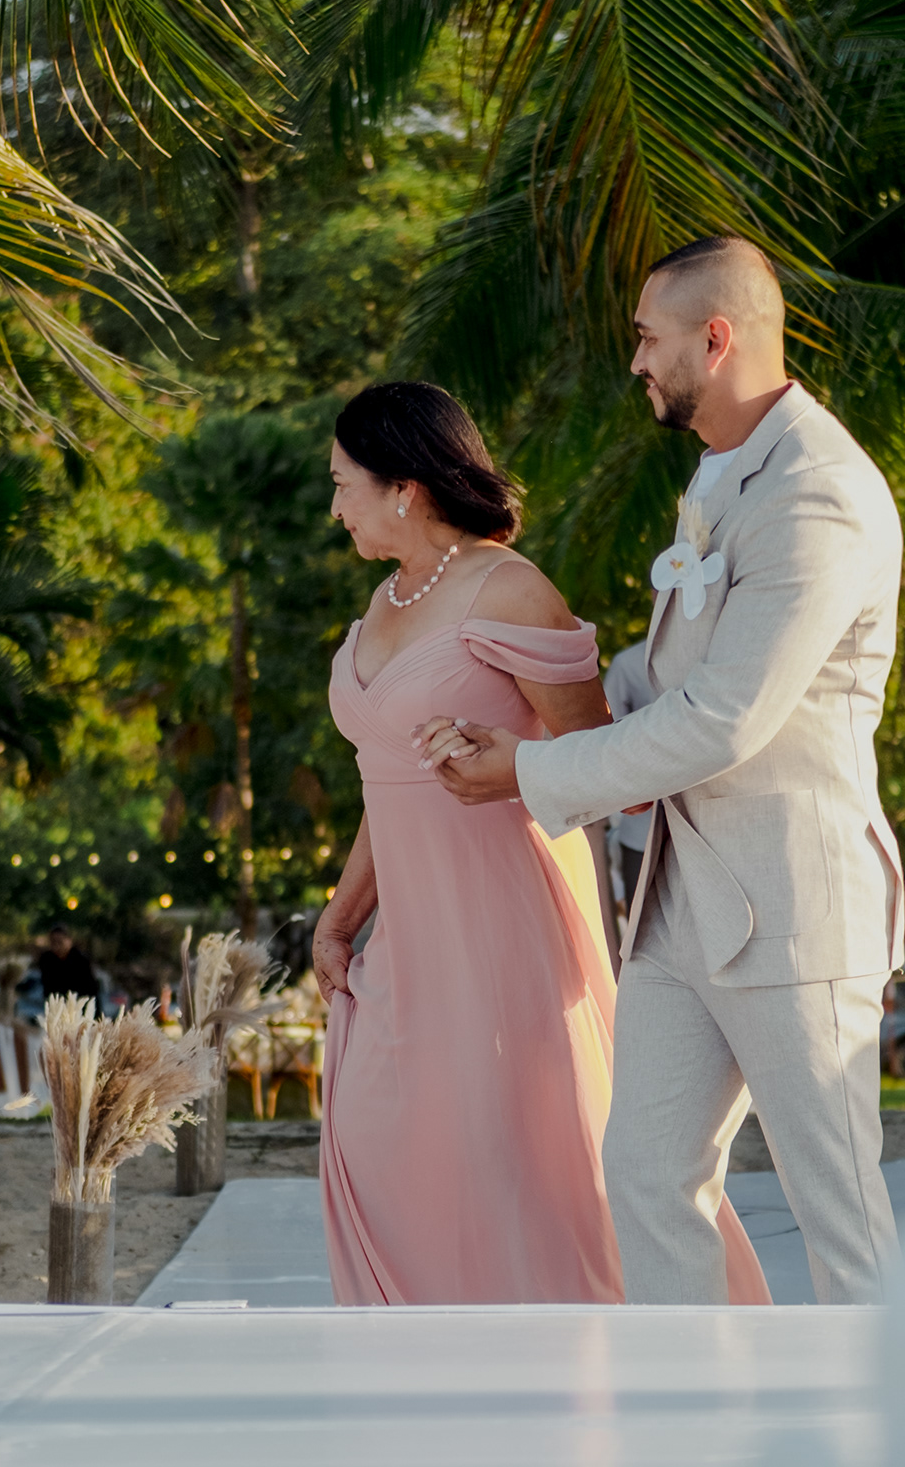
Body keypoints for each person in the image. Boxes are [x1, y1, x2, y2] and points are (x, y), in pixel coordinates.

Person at [418, 236, 905, 1306]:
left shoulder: (817, 493)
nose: (635, 361)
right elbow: (668, 674)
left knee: (840, 1210)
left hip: (792, 909)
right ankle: (694, 1396)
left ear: (715, 339)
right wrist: (538, 698)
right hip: (681, 903)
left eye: (648, 338)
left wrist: (534, 769)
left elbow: (725, 719)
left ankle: (895, 1413)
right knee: (646, 1177)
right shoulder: (723, 473)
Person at [316, 378, 768, 1307]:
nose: (335, 507)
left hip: (502, 921)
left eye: (342, 484)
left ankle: (580, 1344)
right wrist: (342, 913)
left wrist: (511, 762)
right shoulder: (385, 598)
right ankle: (427, 1360)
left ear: (404, 488)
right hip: (408, 933)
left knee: (514, 1160)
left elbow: (603, 760)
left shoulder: (511, 590)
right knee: (381, 1140)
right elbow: (387, 783)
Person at [602, 640, 657, 920]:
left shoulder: (718, 654)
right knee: (642, 927)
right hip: (641, 836)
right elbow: (604, 744)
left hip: (707, 833)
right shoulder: (628, 664)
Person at [34, 921, 102, 1006]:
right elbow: (48, 987)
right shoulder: (47, 960)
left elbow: (91, 989)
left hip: (79, 1004)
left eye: (60, 942)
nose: (57, 947)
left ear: (69, 940)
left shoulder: (81, 960)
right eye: (53, 942)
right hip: (56, 1005)